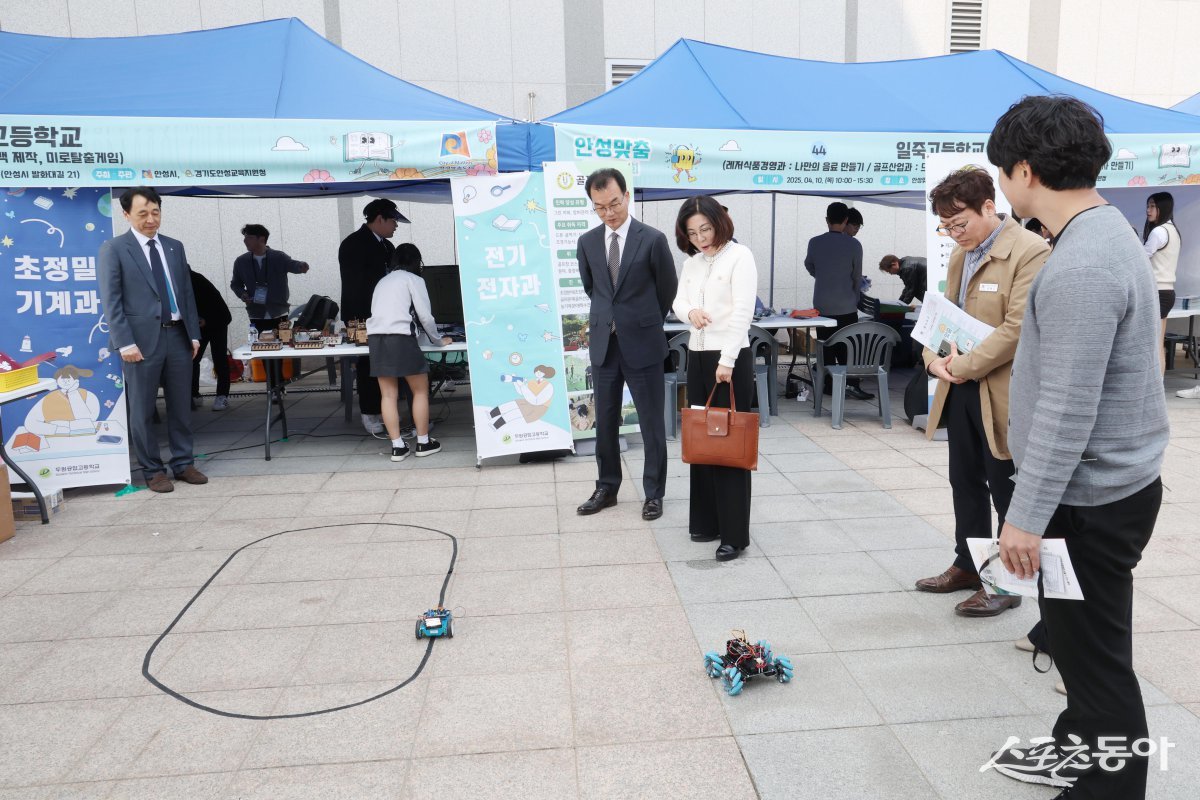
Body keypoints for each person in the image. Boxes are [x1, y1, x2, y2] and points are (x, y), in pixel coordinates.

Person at [986, 95, 1169, 800]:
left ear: (1025, 171)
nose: (1005, 185)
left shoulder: (1082, 265)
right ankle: (1077, 749)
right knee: (1082, 644)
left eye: (1004, 172)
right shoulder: (1106, 231)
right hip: (1109, 484)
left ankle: (1110, 788)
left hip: (1090, 497)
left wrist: (1025, 517)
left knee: (1097, 664)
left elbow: (1067, 406)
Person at [916, 167, 1049, 620]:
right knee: (964, 480)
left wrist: (961, 366)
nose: (954, 234)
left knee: (1004, 486)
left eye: (959, 223)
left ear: (989, 207)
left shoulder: (1030, 251)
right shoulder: (962, 254)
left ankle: (1007, 583)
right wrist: (932, 360)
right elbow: (944, 315)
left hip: (1004, 392)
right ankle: (969, 564)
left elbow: (1017, 329)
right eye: (946, 227)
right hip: (960, 387)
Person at [574, 168, 678, 521]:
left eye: (614, 203)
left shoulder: (652, 239)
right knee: (604, 421)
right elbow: (593, 289)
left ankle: (654, 494)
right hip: (605, 344)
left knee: (651, 423)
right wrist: (612, 320)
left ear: (627, 196)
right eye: (600, 207)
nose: (609, 212)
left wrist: (642, 321)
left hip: (643, 343)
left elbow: (667, 290)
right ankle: (607, 488)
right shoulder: (587, 242)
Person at [97, 187, 206, 493]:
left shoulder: (173, 247)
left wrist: (193, 334)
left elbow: (186, 293)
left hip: (178, 336)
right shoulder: (114, 249)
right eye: (142, 213)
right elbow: (111, 301)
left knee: (181, 404)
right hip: (140, 342)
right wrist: (124, 342)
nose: (150, 219)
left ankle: (183, 462)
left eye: (155, 212)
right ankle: (152, 469)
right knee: (143, 408)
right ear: (126, 214)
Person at [671, 197, 757, 561]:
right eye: (692, 233)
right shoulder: (691, 263)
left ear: (719, 223)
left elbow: (743, 312)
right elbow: (677, 302)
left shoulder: (740, 256)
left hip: (729, 359)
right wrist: (690, 311)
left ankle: (734, 534)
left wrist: (727, 361)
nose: (700, 238)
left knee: (729, 444)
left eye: (705, 229)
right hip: (698, 356)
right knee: (702, 440)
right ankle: (705, 522)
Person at [365, 250, 451, 462]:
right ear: (416, 262)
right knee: (420, 390)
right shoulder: (414, 279)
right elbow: (425, 316)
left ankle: (397, 447)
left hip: (376, 339)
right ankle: (423, 442)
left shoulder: (382, 281)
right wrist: (438, 340)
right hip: (401, 339)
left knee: (387, 395)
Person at [339, 198, 407, 435]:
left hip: (386, 315)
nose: (396, 226)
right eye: (393, 220)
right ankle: (369, 412)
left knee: (388, 364)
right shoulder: (353, 244)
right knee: (368, 364)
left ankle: (386, 410)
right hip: (362, 315)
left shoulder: (387, 246)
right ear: (380, 219)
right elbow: (356, 286)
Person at [805, 201, 872, 400]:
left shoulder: (814, 242)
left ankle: (828, 385)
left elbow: (809, 265)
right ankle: (850, 385)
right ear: (845, 220)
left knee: (826, 346)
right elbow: (856, 276)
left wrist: (822, 276)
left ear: (827, 219)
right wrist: (855, 296)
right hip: (846, 304)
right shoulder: (854, 245)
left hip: (822, 304)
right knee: (847, 348)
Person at [229, 224, 310, 335]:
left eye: (249, 237)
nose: (245, 241)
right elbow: (235, 284)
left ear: (262, 239)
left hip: (279, 312)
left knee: (283, 341)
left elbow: (292, 264)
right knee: (260, 343)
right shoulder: (241, 261)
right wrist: (242, 294)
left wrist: (301, 266)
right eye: (245, 238)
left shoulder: (278, 257)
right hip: (256, 313)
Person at [1142, 192, 1180, 374]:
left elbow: (1141, 258)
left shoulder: (1159, 232)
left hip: (1157, 292)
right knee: (1157, 344)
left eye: (1152, 206)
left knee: (1152, 344)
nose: (1148, 210)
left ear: (1162, 208)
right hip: (1166, 292)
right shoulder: (1173, 230)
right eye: (1148, 206)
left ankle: (1154, 384)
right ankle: (1159, 384)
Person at [190, 268, 233, 410]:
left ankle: (222, 396)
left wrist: (205, 320)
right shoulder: (182, 279)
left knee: (219, 358)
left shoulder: (194, 279)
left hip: (217, 320)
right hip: (200, 323)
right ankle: (194, 395)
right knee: (193, 358)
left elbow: (213, 304)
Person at [490, 365, 556, 428]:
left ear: (545, 373)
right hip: (528, 402)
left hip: (538, 408)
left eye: (541, 371)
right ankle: (490, 415)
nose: (538, 373)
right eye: (537, 371)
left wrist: (522, 385)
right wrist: (515, 382)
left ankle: (494, 426)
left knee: (512, 414)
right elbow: (522, 392)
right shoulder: (532, 382)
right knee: (510, 405)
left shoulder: (548, 386)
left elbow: (536, 401)